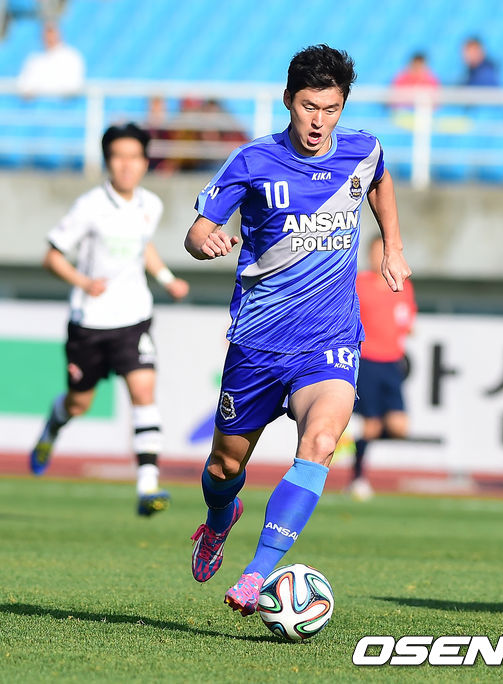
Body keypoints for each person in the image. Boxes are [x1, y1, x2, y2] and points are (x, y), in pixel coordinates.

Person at [184, 44, 411, 616]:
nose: (318, 122)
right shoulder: (253, 160)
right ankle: (219, 518)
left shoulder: (362, 150)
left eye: (330, 109)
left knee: (320, 443)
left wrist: (393, 245)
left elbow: (380, 181)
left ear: (343, 106)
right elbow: (197, 231)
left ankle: (256, 575)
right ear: (288, 100)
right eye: (309, 107)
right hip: (258, 343)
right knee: (224, 467)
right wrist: (206, 242)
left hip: (330, 341)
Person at [29, 123, 189, 516]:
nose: (126, 165)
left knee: (143, 392)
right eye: (118, 157)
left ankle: (148, 486)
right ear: (108, 161)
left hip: (134, 318)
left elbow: (143, 246)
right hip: (89, 323)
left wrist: (167, 278)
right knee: (78, 403)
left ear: (145, 162)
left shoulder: (151, 204)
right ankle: (53, 426)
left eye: (134, 157)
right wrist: (84, 281)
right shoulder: (89, 206)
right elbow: (52, 256)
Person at [347, 236, 417, 501]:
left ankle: (354, 444)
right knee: (372, 424)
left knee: (399, 426)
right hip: (367, 361)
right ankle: (358, 478)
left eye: (384, 251)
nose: (380, 257)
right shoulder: (358, 283)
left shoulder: (403, 285)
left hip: (392, 363)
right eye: (376, 252)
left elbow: (407, 319)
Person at [17, 22, 85, 97]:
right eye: (46, 33)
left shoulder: (72, 57)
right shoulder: (34, 59)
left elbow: (73, 86)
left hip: (61, 103)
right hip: (36, 103)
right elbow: (23, 85)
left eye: (51, 33)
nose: (49, 37)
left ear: (59, 34)